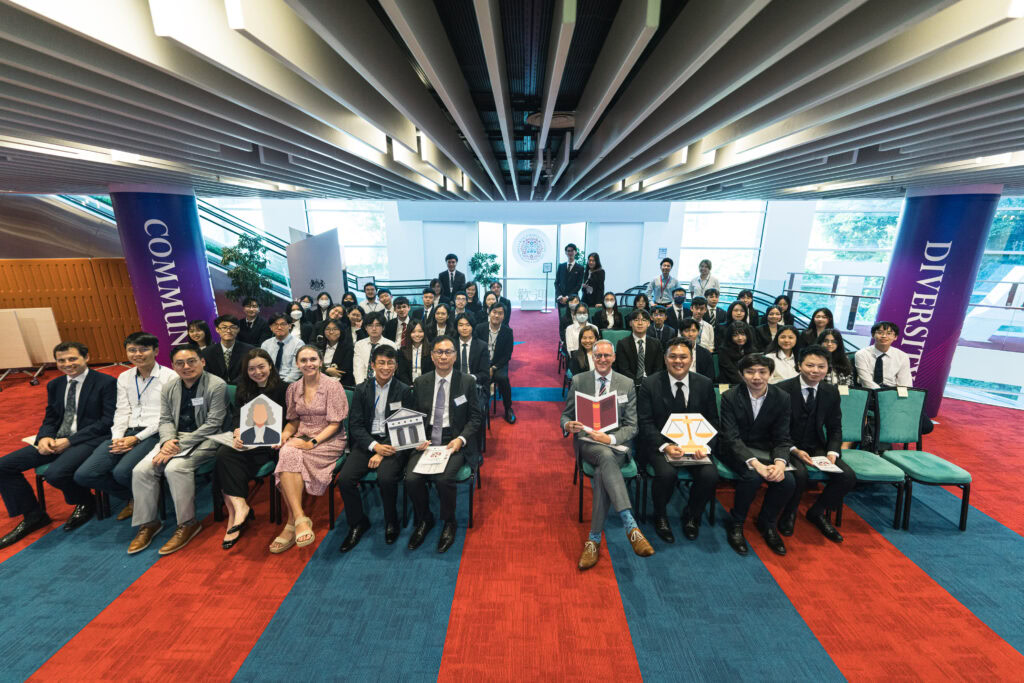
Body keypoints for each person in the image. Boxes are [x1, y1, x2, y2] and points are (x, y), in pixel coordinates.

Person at [0, 342, 117, 549]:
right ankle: (34, 515)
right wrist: (44, 437)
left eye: (72, 359)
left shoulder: (106, 382)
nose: (67, 364)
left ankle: (86, 502)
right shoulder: (55, 385)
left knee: (55, 474)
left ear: (86, 357)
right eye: (61, 360)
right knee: (4, 465)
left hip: (88, 439)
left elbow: (107, 422)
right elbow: (51, 417)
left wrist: (70, 441)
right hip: (57, 439)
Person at [561, 339, 654, 570]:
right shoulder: (580, 380)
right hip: (588, 442)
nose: (602, 359)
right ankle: (630, 525)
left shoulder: (627, 383)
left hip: (616, 445)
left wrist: (610, 439)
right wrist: (568, 425)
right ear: (593, 357)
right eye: (598, 356)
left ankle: (593, 540)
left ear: (613, 357)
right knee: (603, 455)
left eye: (607, 356)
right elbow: (565, 416)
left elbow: (632, 426)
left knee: (605, 463)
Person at [127, 344, 228, 555]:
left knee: (175, 469)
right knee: (141, 470)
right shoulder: (170, 386)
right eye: (180, 363)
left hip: (206, 438)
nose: (186, 367)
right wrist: (167, 442)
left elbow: (214, 423)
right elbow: (164, 419)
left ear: (202, 361)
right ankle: (149, 523)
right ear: (173, 366)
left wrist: (178, 446)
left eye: (192, 361)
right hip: (173, 439)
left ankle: (188, 523)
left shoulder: (216, 385)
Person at [74, 333, 177, 524]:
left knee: (122, 472)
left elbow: (167, 416)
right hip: (127, 432)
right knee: (84, 474)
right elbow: (121, 410)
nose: (137, 354)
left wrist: (137, 438)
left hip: (154, 433)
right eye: (132, 350)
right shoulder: (124, 377)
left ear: (155, 351)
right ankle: (134, 497)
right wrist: (117, 438)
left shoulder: (170, 377)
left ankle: (145, 502)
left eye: (143, 349)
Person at [403, 336, 482, 553]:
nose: (443, 356)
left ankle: (449, 521)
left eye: (448, 352)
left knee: (444, 478)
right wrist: (416, 439)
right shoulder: (421, 382)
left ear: (455, 356)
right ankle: (424, 518)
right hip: (427, 441)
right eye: (439, 352)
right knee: (411, 479)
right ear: (432, 355)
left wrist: (461, 439)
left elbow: (476, 417)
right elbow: (414, 416)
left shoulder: (467, 382)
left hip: (453, 440)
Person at [637, 338, 719, 543]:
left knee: (709, 475)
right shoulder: (650, 383)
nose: (678, 361)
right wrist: (665, 446)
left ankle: (692, 515)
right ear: (665, 359)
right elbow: (645, 422)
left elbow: (713, 420)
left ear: (691, 359)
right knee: (666, 474)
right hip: (661, 445)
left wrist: (705, 446)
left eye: (683, 356)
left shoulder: (705, 383)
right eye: (673, 356)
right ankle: (660, 515)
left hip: (695, 446)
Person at [269, 345, 348, 553]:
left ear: (321, 362)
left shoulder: (333, 386)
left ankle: (290, 523)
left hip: (328, 439)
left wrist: (311, 443)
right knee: (286, 451)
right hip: (301, 434)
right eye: (303, 360)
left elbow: (335, 424)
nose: (309, 364)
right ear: (297, 364)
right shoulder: (293, 388)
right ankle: (299, 519)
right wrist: (285, 434)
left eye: (313, 359)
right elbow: (293, 421)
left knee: (289, 454)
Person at [776, 345, 856, 543]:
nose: (815, 370)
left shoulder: (830, 391)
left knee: (846, 477)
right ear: (799, 366)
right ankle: (789, 513)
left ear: (827, 368)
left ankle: (817, 512)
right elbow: (776, 428)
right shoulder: (782, 390)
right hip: (788, 444)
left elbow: (835, 427)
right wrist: (793, 449)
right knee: (800, 475)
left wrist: (832, 452)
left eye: (821, 366)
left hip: (817, 445)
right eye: (810, 365)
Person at [718, 353, 795, 557]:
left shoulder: (782, 397)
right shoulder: (730, 397)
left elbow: (782, 437)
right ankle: (736, 523)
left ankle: (767, 522)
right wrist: (755, 464)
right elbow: (731, 437)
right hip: (734, 449)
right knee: (751, 476)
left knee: (787, 480)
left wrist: (779, 463)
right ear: (742, 374)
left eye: (762, 371)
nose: (756, 377)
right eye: (750, 372)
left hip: (765, 450)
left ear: (770, 373)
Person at [338, 345, 410, 551]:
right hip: (367, 442)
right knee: (344, 480)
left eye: (390, 363)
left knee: (386, 478)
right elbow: (356, 425)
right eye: (381, 363)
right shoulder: (361, 389)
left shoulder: (403, 390)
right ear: (372, 365)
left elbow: (404, 424)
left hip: (393, 443)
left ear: (396, 366)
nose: (386, 367)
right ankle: (357, 522)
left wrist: (383, 448)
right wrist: (374, 446)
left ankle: (391, 521)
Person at [214, 348, 287, 550]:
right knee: (223, 454)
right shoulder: (243, 388)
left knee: (230, 463)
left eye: (261, 367)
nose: (257, 372)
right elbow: (238, 417)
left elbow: (289, 421)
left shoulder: (284, 388)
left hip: (273, 443)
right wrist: (238, 432)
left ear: (270, 366)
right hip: (248, 442)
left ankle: (235, 518)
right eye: (251, 369)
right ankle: (240, 507)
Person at [475, 303, 516, 424]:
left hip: (498, 363)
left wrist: (494, 367)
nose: (497, 315)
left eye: (500, 313)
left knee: (502, 378)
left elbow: (507, 355)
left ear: (504, 316)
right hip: (481, 362)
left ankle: (508, 408)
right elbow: (476, 349)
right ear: (489, 312)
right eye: (494, 312)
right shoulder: (479, 328)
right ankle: (476, 409)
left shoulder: (507, 332)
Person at [854, 321, 912, 389]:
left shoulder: (902, 356)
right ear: (873, 335)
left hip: (891, 392)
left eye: (889, 333)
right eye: (880, 333)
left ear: (895, 337)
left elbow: (904, 384)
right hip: (867, 391)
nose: (884, 336)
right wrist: (881, 395)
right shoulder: (861, 354)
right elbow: (866, 382)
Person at [613, 309, 664, 384]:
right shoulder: (622, 344)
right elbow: (623, 369)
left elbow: (659, 368)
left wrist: (648, 382)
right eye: (636, 320)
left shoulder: (656, 343)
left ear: (648, 323)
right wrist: (637, 382)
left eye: (643, 320)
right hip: (630, 384)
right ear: (630, 323)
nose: (640, 323)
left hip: (652, 383)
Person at [203, 315, 253, 383]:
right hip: (216, 388)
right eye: (224, 327)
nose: (228, 331)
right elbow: (207, 374)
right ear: (217, 329)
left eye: (233, 327)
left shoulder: (250, 351)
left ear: (238, 329)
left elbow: (248, 372)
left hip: (242, 388)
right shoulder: (206, 352)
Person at [352, 312, 398, 386]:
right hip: (362, 385)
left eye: (377, 325)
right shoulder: (359, 345)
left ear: (383, 327)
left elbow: (390, 369)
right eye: (370, 325)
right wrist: (361, 387)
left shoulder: (391, 345)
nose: (374, 329)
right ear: (366, 328)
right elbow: (358, 368)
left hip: (383, 384)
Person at [261, 313, 304, 383]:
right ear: (271, 328)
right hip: (267, 381)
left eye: (283, 324)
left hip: (288, 382)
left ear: (290, 326)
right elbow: (262, 366)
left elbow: (296, 370)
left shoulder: (298, 344)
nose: (279, 328)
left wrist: (282, 384)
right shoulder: (266, 344)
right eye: (275, 325)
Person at [453, 313, 489, 388]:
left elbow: (485, 373)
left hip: (475, 384)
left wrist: (471, 378)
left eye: (468, 325)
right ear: (456, 327)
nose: (464, 328)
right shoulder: (451, 345)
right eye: (461, 325)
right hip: (454, 383)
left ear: (472, 327)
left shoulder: (482, 346)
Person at [317, 320, 353, 386]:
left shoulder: (348, 348)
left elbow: (343, 372)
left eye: (335, 329)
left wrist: (321, 370)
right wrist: (327, 370)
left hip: (339, 384)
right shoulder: (318, 346)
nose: (331, 332)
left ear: (341, 331)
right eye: (328, 329)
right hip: (317, 381)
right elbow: (313, 366)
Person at [397, 320, 434, 385]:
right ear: (409, 333)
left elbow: (432, 371)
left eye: (420, 331)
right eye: (413, 332)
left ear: (424, 332)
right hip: (408, 385)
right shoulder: (402, 350)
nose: (417, 335)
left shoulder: (431, 349)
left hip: (427, 384)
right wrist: (409, 385)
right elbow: (402, 373)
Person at [555, 243, 584, 314]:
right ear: (565, 252)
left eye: (572, 251)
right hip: (561, 299)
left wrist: (568, 297)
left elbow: (578, 285)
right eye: (568, 251)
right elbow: (556, 283)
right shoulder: (561, 266)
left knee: (572, 319)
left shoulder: (580, 268)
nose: (570, 253)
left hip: (573, 299)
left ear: (575, 252)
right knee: (562, 320)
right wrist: (560, 296)